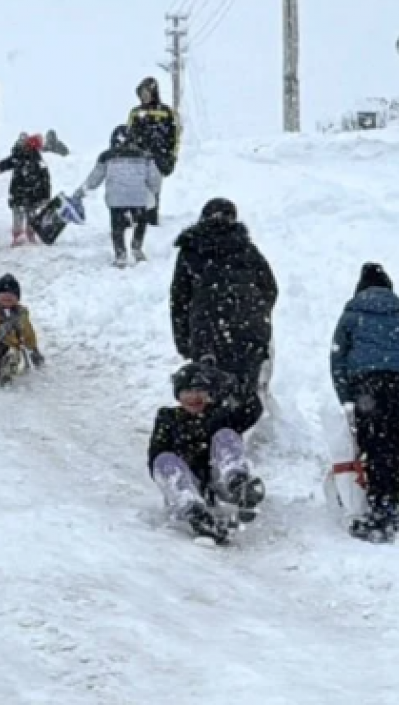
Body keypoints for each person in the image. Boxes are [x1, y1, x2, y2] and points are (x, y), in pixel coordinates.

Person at [330, 262, 399, 543]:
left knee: (371, 445)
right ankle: (391, 506)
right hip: (398, 386)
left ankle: (377, 510)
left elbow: (338, 359)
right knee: (393, 447)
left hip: (366, 387)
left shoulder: (351, 317)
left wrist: (346, 397)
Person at [169, 198, 277, 430]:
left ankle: (211, 434)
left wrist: (184, 340)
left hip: (207, 332)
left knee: (208, 387)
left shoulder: (190, 251)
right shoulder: (247, 249)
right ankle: (236, 433)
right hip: (248, 331)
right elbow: (269, 288)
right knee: (244, 388)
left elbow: (179, 300)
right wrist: (257, 315)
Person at [147, 360, 267, 543]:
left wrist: (231, 384)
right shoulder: (168, 418)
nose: (194, 397)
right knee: (163, 458)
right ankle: (193, 510)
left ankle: (238, 482)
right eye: (187, 391)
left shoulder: (218, 414)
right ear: (178, 395)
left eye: (200, 391)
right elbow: (156, 458)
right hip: (187, 482)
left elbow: (252, 409)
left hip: (219, 480)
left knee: (225, 434)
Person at [75, 124, 161, 266]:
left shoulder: (106, 156)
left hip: (116, 198)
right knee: (141, 222)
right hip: (138, 197)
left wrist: (81, 192)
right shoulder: (145, 156)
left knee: (117, 226)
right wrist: (154, 190)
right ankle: (137, 247)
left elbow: (94, 179)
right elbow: (155, 178)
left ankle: (120, 255)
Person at [0, 133, 52, 246]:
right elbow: (6, 163)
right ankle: (18, 236)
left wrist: (46, 197)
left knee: (30, 216)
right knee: (20, 215)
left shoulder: (38, 161)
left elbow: (46, 181)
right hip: (21, 193)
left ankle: (29, 235)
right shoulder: (20, 157)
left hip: (30, 195)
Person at [127, 77, 180, 178]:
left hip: (159, 159)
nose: (144, 96)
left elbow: (175, 136)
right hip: (138, 160)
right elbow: (128, 132)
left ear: (153, 92)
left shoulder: (166, 112)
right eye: (142, 93)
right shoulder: (135, 112)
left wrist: (172, 157)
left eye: (147, 92)